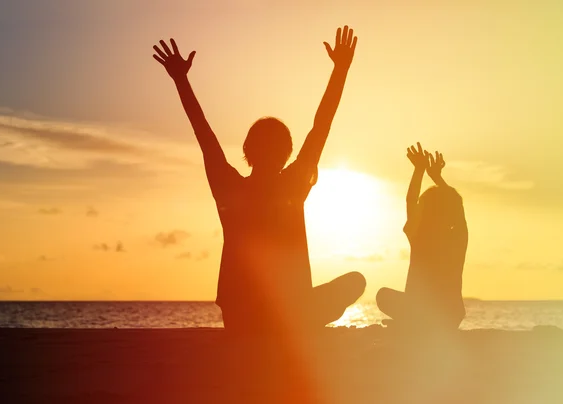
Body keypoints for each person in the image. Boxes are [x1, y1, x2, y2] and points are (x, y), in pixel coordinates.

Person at [152, 26, 365, 333]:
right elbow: (321, 126)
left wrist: (181, 80)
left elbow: (204, 134)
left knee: (347, 285)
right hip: (287, 317)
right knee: (355, 282)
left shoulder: (230, 187)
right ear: (287, 153)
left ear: (247, 152)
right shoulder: (292, 184)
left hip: (241, 318)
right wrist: (340, 70)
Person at [376, 143, 468, 331]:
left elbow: (410, 200)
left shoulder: (419, 235)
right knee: (396, 300)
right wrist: (437, 178)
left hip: (422, 312)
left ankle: (411, 324)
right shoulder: (458, 237)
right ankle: (413, 323)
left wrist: (419, 170)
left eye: (421, 205)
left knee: (382, 296)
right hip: (451, 315)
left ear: (425, 212)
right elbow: (457, 205)